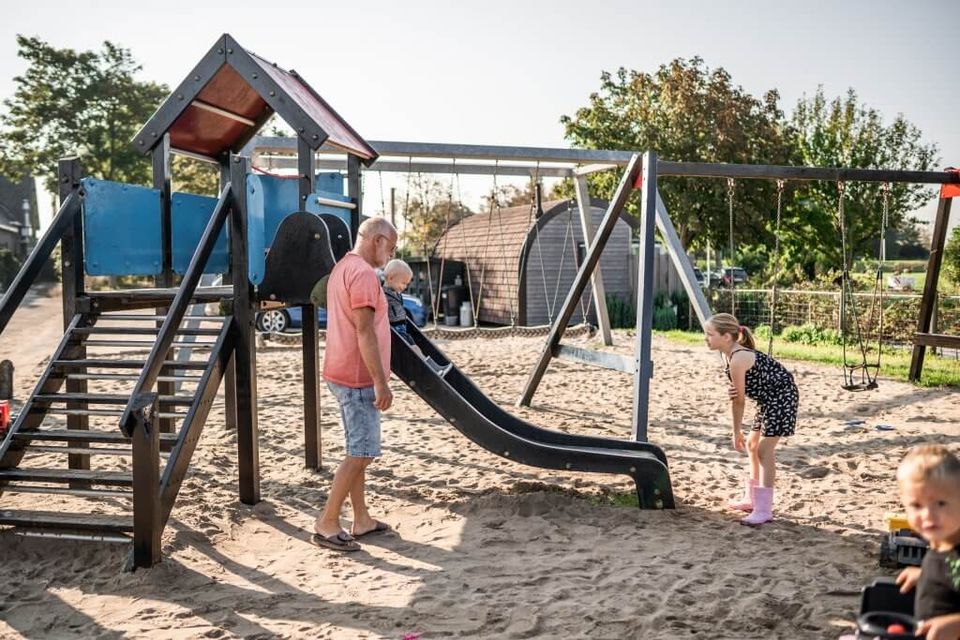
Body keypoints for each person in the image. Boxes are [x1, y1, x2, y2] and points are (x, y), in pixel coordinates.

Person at [313, 217, 398, 552]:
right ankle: (327, 521)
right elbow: (364, 331)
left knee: (357, 451)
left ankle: (360, 519)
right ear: (377, 240)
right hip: (358, 376)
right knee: (361, 454)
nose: (390, 254)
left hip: (340, 370)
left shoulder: (343, 268)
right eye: (390, 247)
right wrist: (381, 383)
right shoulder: (363, 274)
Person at [704, 313, 799, 526]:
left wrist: (735, 430)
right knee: (751, 445)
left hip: (782, 397)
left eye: (710, 334)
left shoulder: (738, 358)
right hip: (768, 399)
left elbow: (738, 401)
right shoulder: (727, 355)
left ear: (727, 337)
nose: (706, 339)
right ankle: (752, 498)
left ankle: (764, 509)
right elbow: (737, 395)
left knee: (764, 450)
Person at [894, 445, 960, 640]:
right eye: (916, 505)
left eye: (940, 503)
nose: (928, 515)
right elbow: (952, 573)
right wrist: (927, 575)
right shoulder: (943, 544)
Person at [382, 259, 452, 377]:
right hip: (395, 334)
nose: (405, 287)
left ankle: (435, 368)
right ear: (390, 278)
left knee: (417, 348)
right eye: (403, 283)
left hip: (402, 330)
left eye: (407, 284)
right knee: (414, 349)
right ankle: (431, 371)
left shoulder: (396, 294)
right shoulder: (382, 295)